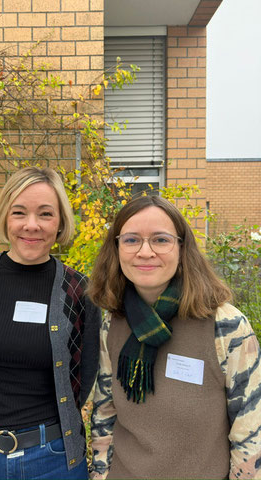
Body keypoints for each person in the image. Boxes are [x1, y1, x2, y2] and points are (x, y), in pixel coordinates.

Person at [0, 166, 101, 480]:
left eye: (45, 214)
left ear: (60, 222)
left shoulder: (79, 290)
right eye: (19, 213)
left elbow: (87, 370)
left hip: (54, 461)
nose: (32, 225)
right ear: (5, 217)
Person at [87, 195, 261, 480]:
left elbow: (251, 433)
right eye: (131, 240)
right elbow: (105, 412)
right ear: (116, 249)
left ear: (182, 248)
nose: (145, 252)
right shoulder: (114, 321)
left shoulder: (226, 327)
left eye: (160, 240)